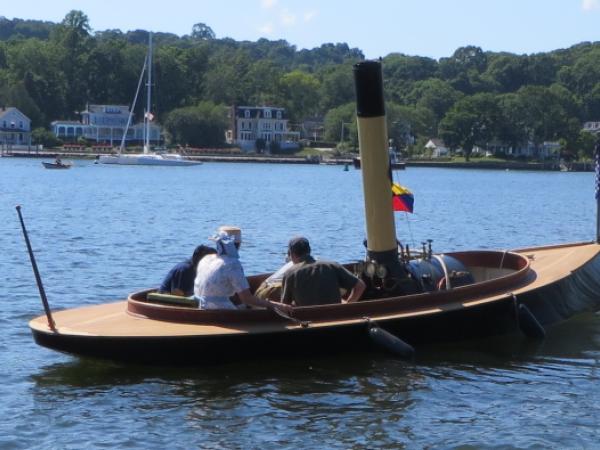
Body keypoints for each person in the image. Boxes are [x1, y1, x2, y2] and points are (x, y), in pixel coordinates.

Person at [194, 226, 293, 314]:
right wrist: (277, 305)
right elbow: (246, 298)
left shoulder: (206, 259)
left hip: (200, 307)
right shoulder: (232, 264)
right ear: (238, 245)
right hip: (221, 311)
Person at [281, 236, 366, 306]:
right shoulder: (331, 265)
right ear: (309, 250)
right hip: (336, 318)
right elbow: (360, 286)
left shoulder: (290, 273)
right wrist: (346, 306)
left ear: (291, 254)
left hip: (307, 320)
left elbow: (284, 306)